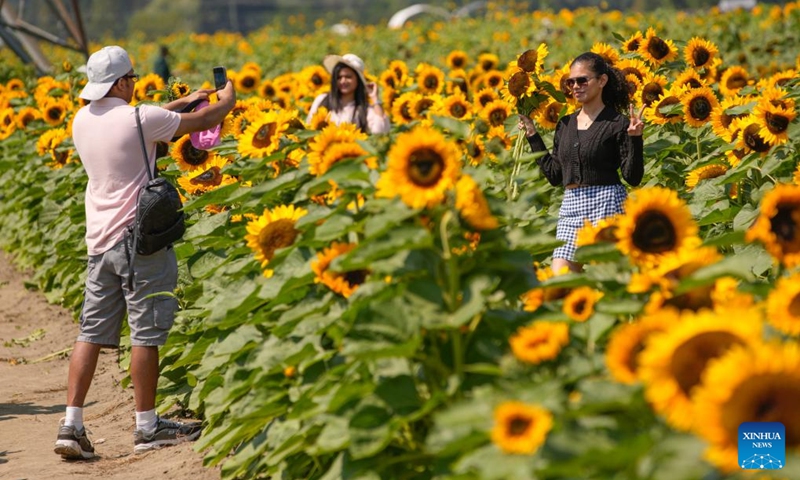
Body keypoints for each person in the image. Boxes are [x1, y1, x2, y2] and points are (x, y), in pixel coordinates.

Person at [54, 45, 236, 460]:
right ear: (119, 82)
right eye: (132, 79)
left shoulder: (82, 120)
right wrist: (226, 97)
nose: (135, 84)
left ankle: (71, 424)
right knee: (145, 333)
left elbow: (142, 119)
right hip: (140, 241)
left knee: (91, 332)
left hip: (98, 241)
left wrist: (180, 102)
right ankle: (147, 425)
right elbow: (204, 120)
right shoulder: (142, 118)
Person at [518, 51, 644, 274]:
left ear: (602, 81)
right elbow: (555, 175)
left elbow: (632, 177)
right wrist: (532, 135)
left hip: (607, 203)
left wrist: (635, 139)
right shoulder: (565, 125)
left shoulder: (617, 123)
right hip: (571, 206)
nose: (576, 86)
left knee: (611, 278)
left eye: (582, 80)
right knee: (561, 280)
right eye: (571, 82)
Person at [305, 53, 390, 134]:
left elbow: (380, 132)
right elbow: (309, 127)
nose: (343, 81)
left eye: (348, 77)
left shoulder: (363, 109)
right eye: (339, 77)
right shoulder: (322, 100)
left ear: (358, 80)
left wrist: (375, 99)